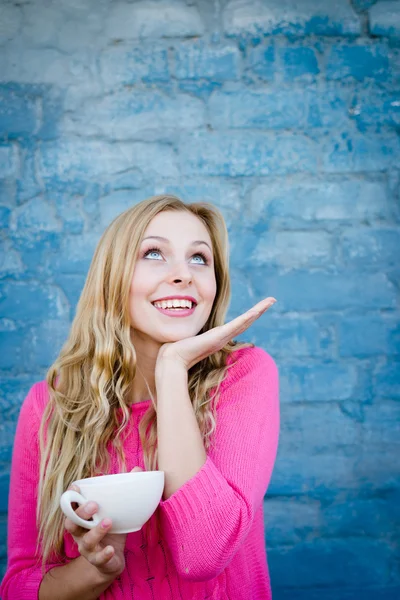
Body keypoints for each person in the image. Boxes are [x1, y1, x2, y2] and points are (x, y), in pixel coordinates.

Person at [0, 195, 280, 600]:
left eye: (199, 259)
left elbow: (203, 555)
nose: (183, 275)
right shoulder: (49, 405)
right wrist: (94, 570)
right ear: (113, 278)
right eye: (154, 253)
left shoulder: (243, 376)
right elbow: (18, 587)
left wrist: (171, 369)